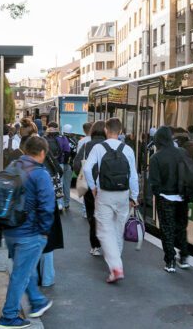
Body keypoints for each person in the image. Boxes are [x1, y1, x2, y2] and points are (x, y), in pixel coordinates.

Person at [0, 136, 55, 329]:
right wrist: (44, 232)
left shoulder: (13, 166)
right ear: (42, 152)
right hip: (29, 233)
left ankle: (37, 301)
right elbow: (47, 206)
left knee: (26, 268)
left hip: (10, 229)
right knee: (21, 274)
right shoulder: (40, 174)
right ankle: (9, 316)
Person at [82, 118, 139, 283]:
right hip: (123, 194)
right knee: (118, 229)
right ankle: (116, 263)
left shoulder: (99, 148)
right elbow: (133, 176)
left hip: (104, 194)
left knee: (104, 230)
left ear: (106, 130)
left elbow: (87, 168)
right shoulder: (128, 149)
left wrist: (93, 187)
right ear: (120, 131)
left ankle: (115, 267)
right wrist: (134, 196)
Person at [147, 126, 191, 272]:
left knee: (167, 229)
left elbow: (154, 182)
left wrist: (158, 194)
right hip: (182, 197)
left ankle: (170, 261)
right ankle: (184, 258)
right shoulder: (182, 153)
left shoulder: (155, 158)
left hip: (165, 197)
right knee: (181, 228)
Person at [73, 121, 107, 255]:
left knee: (92, 214)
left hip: (89, 185)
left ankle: (95, 246)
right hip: (106, 185)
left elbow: (77, 164)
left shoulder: (87, 145)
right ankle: (107, 242)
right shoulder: (109, 145)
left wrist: (82, 174)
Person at [76, 123, 92, 218]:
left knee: (85, 187)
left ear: (84, 131)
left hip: (84, 166)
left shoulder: (82, 141)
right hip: (93, 167)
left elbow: (78, 155)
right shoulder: (94, 140)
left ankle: (85, 211)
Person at [59, 124, 75, 210]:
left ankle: (60, 203)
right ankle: (66, 203)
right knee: (67, 185)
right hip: (69, 165)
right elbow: (75, 155)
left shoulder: (60, 140)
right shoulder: (73, 142)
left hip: (60, 164)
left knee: (60, 184)